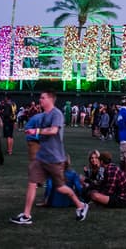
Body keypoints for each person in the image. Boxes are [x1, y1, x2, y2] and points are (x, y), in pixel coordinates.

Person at [10, 90, 88, 225]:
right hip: (41, 156)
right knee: (32, 182)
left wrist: (36, 131)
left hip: (55, 158)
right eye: (40, 98)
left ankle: (81, 205)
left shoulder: (56, 114)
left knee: (60, 187)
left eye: (43, 98)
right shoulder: (43, 115)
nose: (40, 100)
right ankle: (26, 215)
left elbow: (53, 131)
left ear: (51, 99)